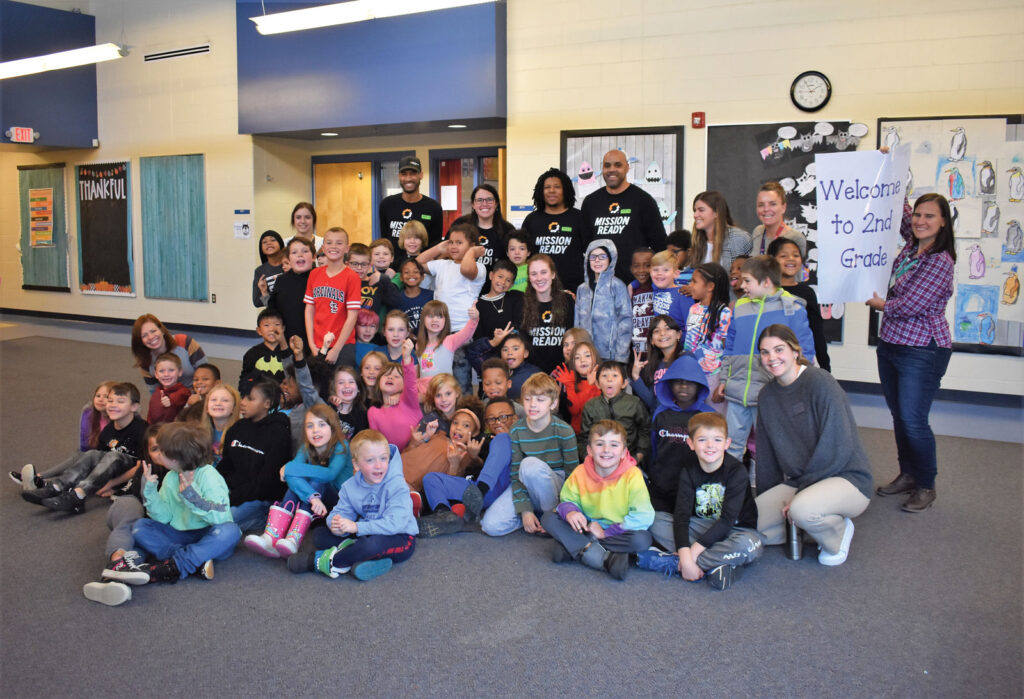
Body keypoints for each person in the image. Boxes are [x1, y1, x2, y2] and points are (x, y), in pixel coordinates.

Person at [754, 325, 872, 565]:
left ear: (795, 351)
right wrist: (768, 496)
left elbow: (837, 447)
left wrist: (800, 496)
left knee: (802, 510)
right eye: (765, 353)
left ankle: (837, 531)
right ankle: (808, 522)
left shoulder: (820, 382)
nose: (772, 358)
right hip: (802, 481)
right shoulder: (767, 395)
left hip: (846, 477)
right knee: (749, 522)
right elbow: (766, 456)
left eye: (779, 349)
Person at [867, 193, 955, 513]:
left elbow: (909, 306)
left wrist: (879, 305)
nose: (920, 221)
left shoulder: (939, 260)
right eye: (918, 215)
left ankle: (926, 484)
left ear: (943, 221)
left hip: (922, 349)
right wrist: (889, 171)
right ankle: (908, 474)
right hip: (891, 343)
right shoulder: (912, 245)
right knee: (899, 416)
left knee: (913, 420)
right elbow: (901, 213)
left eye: (929, 216)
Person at [636, 412, 764, 591]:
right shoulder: (688, 470)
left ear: (727, 444)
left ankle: (676, 563)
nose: (710, 446)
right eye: (702, 440)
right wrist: (685, 552)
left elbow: (727, 521)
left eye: (717, 440)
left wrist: (689, 556)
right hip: (701, 526)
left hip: (734, 530)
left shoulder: (736, 471)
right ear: (691, 443)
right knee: (653, 520)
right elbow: (681, 516)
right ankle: (720, 564)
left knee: (751, 545)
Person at [715, 255, 815, 460]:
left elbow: (805, 351)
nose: (742, 286)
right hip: (738, 391)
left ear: (766, 282)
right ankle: (733, 487)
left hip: (769, 393)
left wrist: (798, 388)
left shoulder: (792, 309)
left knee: (766, 447)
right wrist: (724, 378)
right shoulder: (740, 306)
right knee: (731, 445)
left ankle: (761, 487)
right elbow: (730, 346)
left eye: (747, 281)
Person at [287, 429, 417, 582]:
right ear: (356, 464)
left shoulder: (397, 485)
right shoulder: (350, 486)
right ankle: (364, 558)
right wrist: (336, 524)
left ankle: (321, 561)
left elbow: (395, 524)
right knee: (320, 536)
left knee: (372, 545)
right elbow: (341, 512)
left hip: (400, 537)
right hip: (367, 532)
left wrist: (356, 528)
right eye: (370, 460)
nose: (378, 466)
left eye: (383, 458)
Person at [129, 423, 241, 587]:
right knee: (140, 526)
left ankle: (177, 565)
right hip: (179, 535)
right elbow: (164, 517)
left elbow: (220, 517)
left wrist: (192, 496)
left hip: (207, 532)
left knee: (231, 531)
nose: (157, 455)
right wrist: (150, 490)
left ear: (174, 458)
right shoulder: (171, 477)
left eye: (161, 451)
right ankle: (192, 560)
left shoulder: (209, 476)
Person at [541, 420, 653, 581]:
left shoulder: (633, 475)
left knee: (642, 539)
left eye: (614, 445)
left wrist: (606, 532)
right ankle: (603, 558)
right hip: (586, 526)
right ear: (589, 450)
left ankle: (574, 547)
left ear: (623, 452)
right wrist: (571, 512)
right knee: (548, 518)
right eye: (599, 444)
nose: (606, 450)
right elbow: (567, 499)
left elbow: (644, 516)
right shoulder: (580, 471)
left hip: (617, 530)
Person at [244, 404, 352, 558]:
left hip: (339, 505)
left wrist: (289, 467)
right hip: (315, 506)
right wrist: (311, 496)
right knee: (300, 483)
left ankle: (294, 539)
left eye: (322, 424)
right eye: (310, 426)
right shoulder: (306, 447)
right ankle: (271, 537)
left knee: (316, 480)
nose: (315, 430)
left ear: (333, 427)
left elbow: (330, 474)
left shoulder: (342, 447)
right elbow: (290, 476)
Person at [23, 382, 148, 515]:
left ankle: (78, 496)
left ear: (134, 406)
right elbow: (99, 462)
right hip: (109, 472)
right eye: (110, 400)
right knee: (92, 454)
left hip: (132, 478)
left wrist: (112, 484)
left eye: (120, 401)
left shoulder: (142, 430)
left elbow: (141, 467)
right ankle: (56, 487)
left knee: (113, 456)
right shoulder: (108, 431)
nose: (113, 405)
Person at [480, 373, 578, 537]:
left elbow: (573, 476)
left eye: (540, 400)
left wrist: (566, 506)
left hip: (556, 484)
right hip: (526, 480)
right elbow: (516, 473)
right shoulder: (517, 430)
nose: (533, 405)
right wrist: (525, 511)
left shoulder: (564, 431)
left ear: (553, 403)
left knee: (530, 465)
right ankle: (534, 517)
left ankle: (552, 517)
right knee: (490, 526)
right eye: (528, 399)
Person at [82, 425, 164, 606]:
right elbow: (146, 502)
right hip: (130, 504)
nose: (161, 453)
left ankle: (115, 584)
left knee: (143, 545)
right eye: (155, 449)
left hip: (151, 522)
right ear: (148, 452)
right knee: (131, 521)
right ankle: (117, 560)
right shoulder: (148, 469)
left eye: (166, 446)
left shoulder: (182, 470)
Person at [417, 398, 517, 536]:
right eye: (491, 419)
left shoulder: (513, 437)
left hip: (496, 487)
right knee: (430, 478)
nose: (497, 422)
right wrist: (466, 458)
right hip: (474, 490)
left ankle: (478, 494)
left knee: (502, 438)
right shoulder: (480, 441)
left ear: (515, 418)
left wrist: (475, 457)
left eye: (503, 417)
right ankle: (444, 515)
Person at [646, 354, 712, 548]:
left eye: (690, 383)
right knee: (648, 522)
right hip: (663, 487)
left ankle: (685, 544)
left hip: (696, 491)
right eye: (679, 382)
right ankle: (681, 544)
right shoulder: (661, 414)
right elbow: (654, 448)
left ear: (699, 385)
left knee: (708, 526)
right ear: (670, 384)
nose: (684, 387)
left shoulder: (707, 416)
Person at [216, 378, 292, 532]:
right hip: (233, 493)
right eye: (243, 397)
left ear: (267, 403)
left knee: (221, 520)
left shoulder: (279, 433)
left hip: (261, 499)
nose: (243, 402)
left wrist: (232, 498)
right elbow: (225, 466)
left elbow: (267, 483)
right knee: (202, 515)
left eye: (250, 398)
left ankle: (265, 520)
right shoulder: (236, 428)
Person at [580, 149, 667, 281]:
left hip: (635, 284)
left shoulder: (643, 201)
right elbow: (586, 245)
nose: (612, 170)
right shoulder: (590, 202)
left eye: (618, 165)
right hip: (601, 284)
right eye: (607, 165)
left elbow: (660, 245)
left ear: (627, 168)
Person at [768, 237, 830, 371]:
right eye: (783, 255)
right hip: (769, 362)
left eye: (796, 255)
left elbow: (817, 331)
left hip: (798, 361)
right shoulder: (767, 292)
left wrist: (825, 366)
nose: (791, 258)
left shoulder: (807, 293)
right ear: (772, 261)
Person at [521, 168, 588, 292]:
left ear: (565, 190)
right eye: (547, 187)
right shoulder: (531, 220)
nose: (551, 191)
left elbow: (589, 252)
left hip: (573, 290)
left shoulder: (578, 218)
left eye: (557, 187)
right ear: (541, 191)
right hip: (539, 290)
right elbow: (523, 256)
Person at [304, 227, 361, 363]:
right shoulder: (314, 274)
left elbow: (352, 316)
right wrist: (311, 344)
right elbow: (309, 310)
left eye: (339, 243)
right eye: (329, 243)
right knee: (319, 383)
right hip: (317, 344)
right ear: (323, 248)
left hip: (343, 345)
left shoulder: (352, 277)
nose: (333, 246)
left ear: (347, 248)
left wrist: (336, 349)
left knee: (340, 383)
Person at [683, 262, 733, 409]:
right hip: (692, 373)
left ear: (710, 286)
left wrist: (724, 382)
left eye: (694, 281)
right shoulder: (693, 308)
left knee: (714, 418)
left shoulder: (724, 313)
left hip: (714, 376)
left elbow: (728, 350)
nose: (690, 284)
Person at [580, 360, 650, 466]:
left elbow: (645, 430)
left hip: (628, 461)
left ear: (624, 383)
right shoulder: (591, 406)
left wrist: (637, 458)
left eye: (615, 375)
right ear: (597, 384)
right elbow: (585, 438)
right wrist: (590, 459)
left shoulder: (634, 403)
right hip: (598, 462)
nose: (609, 379)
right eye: (604, 376)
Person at [575, 239, 632, 362]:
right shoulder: (582, 289)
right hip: (586, 356)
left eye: (602, 256)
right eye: (593, 257)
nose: (597, 260)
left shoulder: (617, 286)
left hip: (610, 356)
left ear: (610, 259)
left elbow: (625, 320)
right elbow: (577, 323)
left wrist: (621, 357)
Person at [520, 254, 575, 374]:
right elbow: (523, 343)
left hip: (564, 372)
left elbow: (574, 337)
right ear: (529, 278)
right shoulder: (522, 304)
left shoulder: (568, 301)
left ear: (553, 274)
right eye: (534, 274)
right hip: (533, 374)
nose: (539, 278)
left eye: (543, 272)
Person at [130, 314, 208, 393]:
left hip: (198, 393)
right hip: (170, 399)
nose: (150, 337)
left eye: (153, 331)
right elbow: (154, 392)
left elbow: (207, 376)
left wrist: (198, 397)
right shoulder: (145, 361)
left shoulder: (185, 342)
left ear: (162, 330)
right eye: (144, 335)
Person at [378, 155, 443, 249]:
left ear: (421, 175)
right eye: (404, 174)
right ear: (399, 176)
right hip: (394, 263)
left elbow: (435, 246)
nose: (408, 178)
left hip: (421, 263)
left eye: (413, 173)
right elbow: (384, 241)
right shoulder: (387, 205)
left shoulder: (433, 208)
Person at [368, 339, 421, 452]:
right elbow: (377, 444)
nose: (390, 377)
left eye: (397, 376)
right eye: (386, 375)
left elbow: (411, 383)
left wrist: (406, 358)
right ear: (378, 381)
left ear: (404, 384)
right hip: (392, 460)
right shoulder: (373, 412)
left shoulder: (408, 401)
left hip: (418, 454)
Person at [415, 300, 479, 393]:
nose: (435, 320)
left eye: (440, 316)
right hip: (424, 394)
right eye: (430, 316)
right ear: (423, 319)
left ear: (446, 321)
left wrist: (474, 319)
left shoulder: (449, 341)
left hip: (444, 392)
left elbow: (466, 334)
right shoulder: (419, 345)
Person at [452, 183, 515, 271]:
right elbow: (448, 252)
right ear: (473, 204)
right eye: (480, 200)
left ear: (496, 203)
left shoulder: (508, 229)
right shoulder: (460, 224)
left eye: (489, 200)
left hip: (497, 284)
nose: (484, 204)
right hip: (464, 282)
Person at [690, 191, 751, 279]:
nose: (695, 215)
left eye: (701, 210)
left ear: (717, 213)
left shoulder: (738, 238)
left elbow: (739, 279)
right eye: (695, 210)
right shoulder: (698, 240)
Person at [266, 237, 315, 344]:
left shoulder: (320, 279)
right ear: (289, 258)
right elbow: (273, 311)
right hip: (287, 340)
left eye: (305, 251)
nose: (300, 255)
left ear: (314, 257)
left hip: (315, 341)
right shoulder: (281, 280)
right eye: (294, 252)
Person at [630, 314, 684, 410]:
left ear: (678, 334)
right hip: (659, 420)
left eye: (667, 329)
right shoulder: (655, 366)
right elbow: (652, 403)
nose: (662, 333)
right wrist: (636, 376)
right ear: (651, 340)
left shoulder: (686, 359)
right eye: (656, 331)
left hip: (679, 420)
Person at [552, 339, 601, 433]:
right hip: (578, 434)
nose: (582, 360)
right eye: (577, 358)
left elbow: (596, 410)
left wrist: (592, 385)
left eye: (587, 355)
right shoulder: (572, 382)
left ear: (596, 358)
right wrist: (570, 385)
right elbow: (575, 411)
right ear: (573, 363)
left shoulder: (603, 379)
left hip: (599, 432)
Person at [377, 257, 433, 333]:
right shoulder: (395, 299)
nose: (411, 275)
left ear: (422, 276)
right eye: (406, 272)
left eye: (416, 272)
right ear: (401, 277)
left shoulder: (431, 296)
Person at [750, 182, 806, 257]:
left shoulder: (796, 238)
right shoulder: (757, 232)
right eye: (761, 205)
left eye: (772, 204)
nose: (766, 209)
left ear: (783, 207)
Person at [239, 308, 289, 389]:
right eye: (266, 325)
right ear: (259, 331)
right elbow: (245, 379)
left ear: (283, 328)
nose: (272, 329)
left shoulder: (288, 352)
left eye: (277, 324)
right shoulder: (252, 354)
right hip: (261, 396)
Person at [146, 353, 191, 425]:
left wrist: (171, 401)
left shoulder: (184, 393)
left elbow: (179, 399)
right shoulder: (156, 393)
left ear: (180, 372)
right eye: (161, 371)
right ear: (156, 374)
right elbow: (150, 418)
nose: (166, 374)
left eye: (171, 370)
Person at [628, 247, 655, 357]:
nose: (642, 270)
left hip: (656, 351)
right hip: (636, 352)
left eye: (647, 265)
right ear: (631, 268)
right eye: (636, 266)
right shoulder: (629, 291)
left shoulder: (660, 289)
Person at [498, 333, 540, 400]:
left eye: (515, 349)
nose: (509, 353)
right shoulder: (497, 371)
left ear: (525, 353)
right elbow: (475, 355)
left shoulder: (535, 375)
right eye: (505, 349)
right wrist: (493, 342)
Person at [252, 229, 287, 308]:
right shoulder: (260, 271)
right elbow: (257, 302)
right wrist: (264, 292)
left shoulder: (289, 265)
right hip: (274, 315)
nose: (269, 243)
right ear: (261, 249)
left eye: (273, 240)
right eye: (264, 242)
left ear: (280, 243)